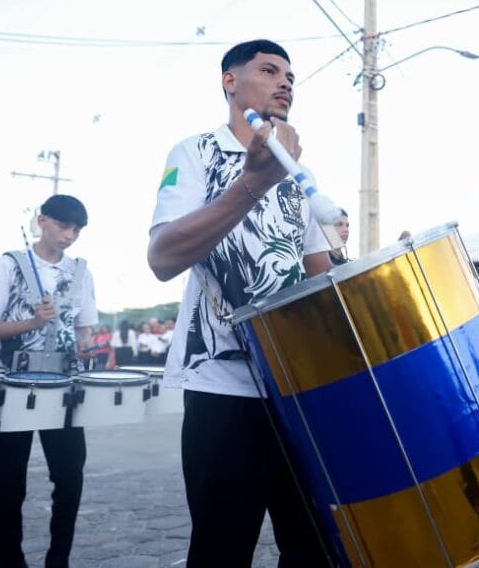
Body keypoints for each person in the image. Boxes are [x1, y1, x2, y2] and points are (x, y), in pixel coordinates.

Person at [147, 39, 334, 567]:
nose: (285, 83)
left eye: (291, 76)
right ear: (230, 81)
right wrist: (253, 182)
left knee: (315, 546)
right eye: (269, 70)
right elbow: (162, 257)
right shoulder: (194, 152)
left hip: (296, 388)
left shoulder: (300, 174)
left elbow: (319, 276)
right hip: (222, 386)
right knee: (221, 550)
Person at [0, 194, 97, 568]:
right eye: (63, 225)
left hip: (63, 388)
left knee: (70, 478)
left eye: (76, 230)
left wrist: (86, 348)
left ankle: (59, 560)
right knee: (7, 484)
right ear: (42, 221)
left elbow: (85, 332)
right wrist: (33, 322)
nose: (69, 235)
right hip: (13, 386)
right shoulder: (7, 265)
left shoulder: (81, 272)